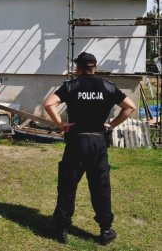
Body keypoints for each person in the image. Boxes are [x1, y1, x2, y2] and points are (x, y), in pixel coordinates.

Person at [44, 52, 136, 245]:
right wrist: (112, 124)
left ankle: (61, 229)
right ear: (94, 67)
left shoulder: (71, 85)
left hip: (77, 142)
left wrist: (60, 123)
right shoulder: (107, 86)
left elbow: (49, 104)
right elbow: (130, 107)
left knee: (68, 185)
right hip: (98, 142)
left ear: (78, 68)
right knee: (101, 187)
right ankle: (105, 230)